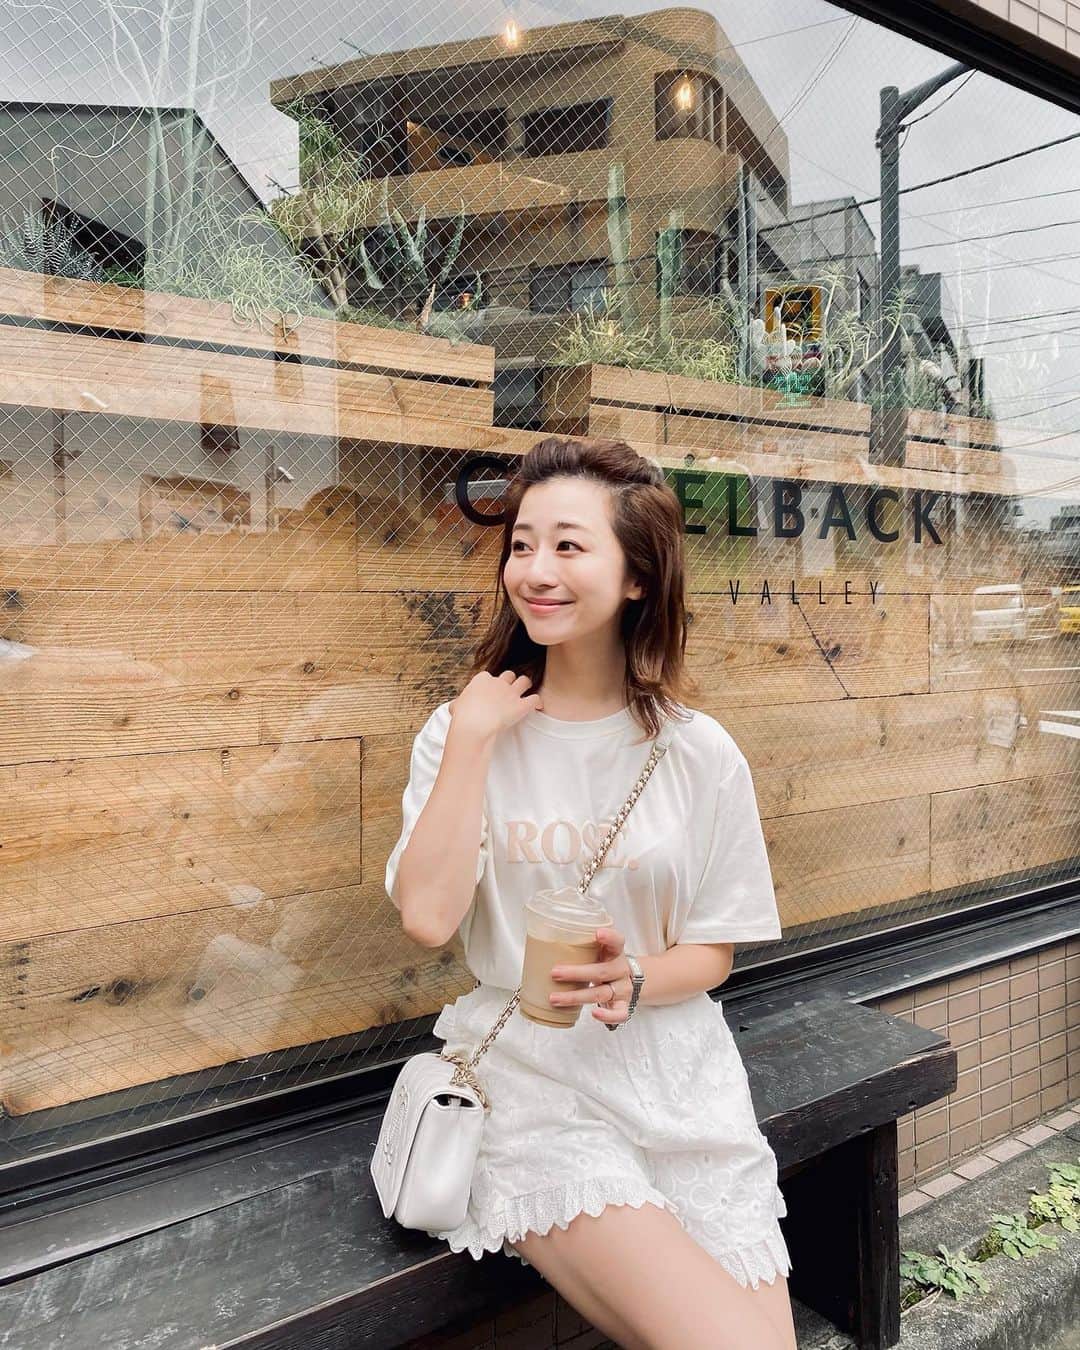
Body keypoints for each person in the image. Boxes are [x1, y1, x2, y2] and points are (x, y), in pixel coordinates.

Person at [384, 436, 797, 1350]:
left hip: (683, 1081)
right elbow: (428, 917)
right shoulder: (463, 731)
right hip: (532, 1079)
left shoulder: (698, 751)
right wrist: (472, 741)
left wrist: (635, 977)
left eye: (568, 546)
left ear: (638, 576)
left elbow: (713, 952)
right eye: (522, 545)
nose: (536, 570)